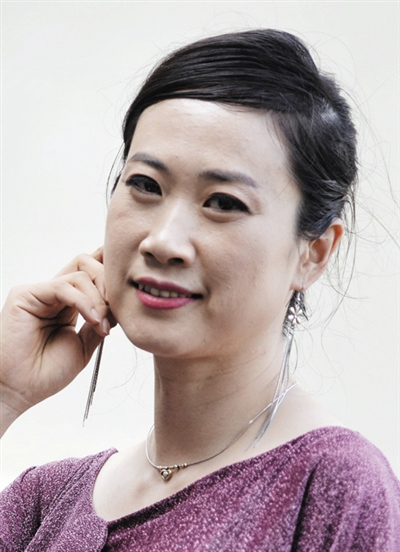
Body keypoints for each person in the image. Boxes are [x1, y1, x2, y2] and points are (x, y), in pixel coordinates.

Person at [1, 29, 399, 551]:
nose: (163, 241)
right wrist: (4, 393)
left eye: (223, 202)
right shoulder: (44, 502)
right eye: (145, 185)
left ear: (314, 253)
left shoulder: (334, 487)